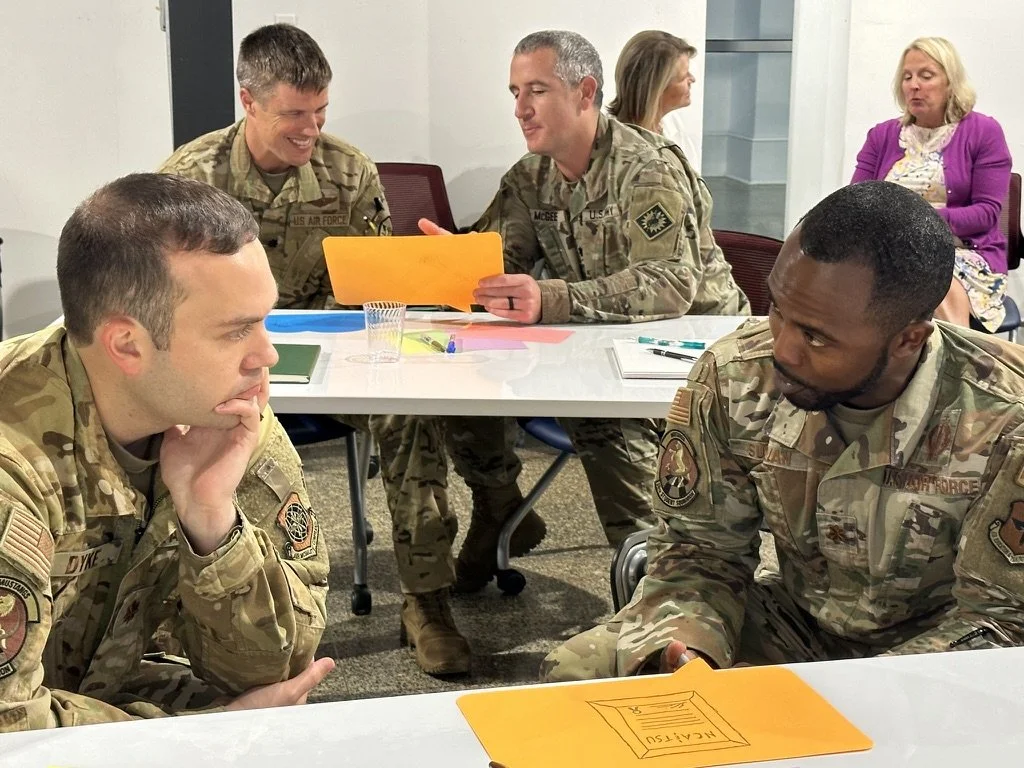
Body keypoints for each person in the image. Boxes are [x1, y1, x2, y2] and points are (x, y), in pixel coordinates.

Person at [541, 180, 1024, 682]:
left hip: (944, 653)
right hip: (798, 625)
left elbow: (1001, 623)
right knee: (577, 676)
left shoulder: (1008, 416)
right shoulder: (733, 376)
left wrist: (827, 699)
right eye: (776, 310)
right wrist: (692, 654)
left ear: (907, 340)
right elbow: (697, 552)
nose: (782, 351)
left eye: (815, 336)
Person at [158, 24, 468, 676]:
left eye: (320, 112)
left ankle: (426, 600)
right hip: (225, 373)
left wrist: (429, 287)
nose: (310, 129)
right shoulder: (190, 181)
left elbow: (380, 291)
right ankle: (202, 609)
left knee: (410, 411)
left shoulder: (347, 171)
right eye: (293, 115)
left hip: (335, 361)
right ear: (249, 101)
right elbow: (161, 302)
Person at [0, 173, 336, 731]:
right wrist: (198, 738)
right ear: (128, 344)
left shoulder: (223, 408)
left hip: (96, 691)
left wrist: (213, 523)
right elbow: (10, 730)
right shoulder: (13, 465)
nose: (267, 355)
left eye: (265, 320)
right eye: (235, 331)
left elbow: (280, 667)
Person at [420, 29, 749, 593]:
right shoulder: (532, 176)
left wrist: (553, 298)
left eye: (537, 90)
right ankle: (498, 506)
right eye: (515, 92)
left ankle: (657, 587)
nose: (520, 109)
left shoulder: (645, 169)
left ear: (585, 92)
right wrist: (448, 263)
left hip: (701, 357)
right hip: (607, 345)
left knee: (601, 420)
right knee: (459, 367)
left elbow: (671, 283)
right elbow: (504, 255)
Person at [852, 36, 1012, 332]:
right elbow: (857, 202)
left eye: (926, 76)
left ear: (950, 82)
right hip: (889, 251)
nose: (914, 85)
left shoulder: (984, 132)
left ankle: (957, 364)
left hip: (961, 252)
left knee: (930, 276)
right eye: (907, 77)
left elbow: (987, 213)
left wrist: (919, 223)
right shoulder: (881, 136)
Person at [607, 30, 700, 164]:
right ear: (656, 89)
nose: (692, 79)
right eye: (684, 76)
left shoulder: (674, 129)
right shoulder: (620, 150)